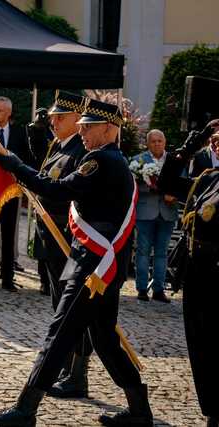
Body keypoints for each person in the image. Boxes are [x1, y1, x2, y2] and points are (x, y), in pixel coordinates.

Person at [0, 99, 153, 427]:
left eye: (89, 127)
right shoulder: (111, 160)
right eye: (82, 125)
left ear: (109, 129)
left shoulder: (100, 161)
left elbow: (56, 190)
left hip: (92, 267)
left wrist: (16, 165)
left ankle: (25, 410)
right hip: (101, 265)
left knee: (59, 334)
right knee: (103, 339)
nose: (83, 132)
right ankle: (140, 410)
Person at [158, 122, 219, 427]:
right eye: (216, 140)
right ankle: (212, 409)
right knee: (199, 343)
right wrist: (188, 147)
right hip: (198, 274)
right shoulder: (210, 178)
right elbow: (168, 184)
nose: (217, 144)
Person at [35, 91, 92, 399]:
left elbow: (63, 192)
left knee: (73, 310)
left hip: (70, 243)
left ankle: (77, 374)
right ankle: (67, 367)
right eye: (53, 117)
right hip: (52, 241)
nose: (53, 121)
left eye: (61, 117)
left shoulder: (81, 153)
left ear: (77, 120)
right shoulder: (58, 147)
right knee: (60, 306)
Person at [0, 96, 30, 291]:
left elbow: (25, 158)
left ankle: (8, 278)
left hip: (11, 192)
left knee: (9, 236)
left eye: (0, 111)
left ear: (9, 113)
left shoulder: (20, 133)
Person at [131, 129, 178, 303]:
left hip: (167, 211)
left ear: (165, 143)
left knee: (162, 252)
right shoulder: (139, 160)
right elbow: (133, 187)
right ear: (148, 143)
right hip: (145, 212)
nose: (157, 144)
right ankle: (142, 288)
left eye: (160, 141)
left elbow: (182, 181)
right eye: (153, 141)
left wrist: (173, 194)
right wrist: (150, 186)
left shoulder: (175, 160)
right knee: (143, 251)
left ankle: (158, 289)